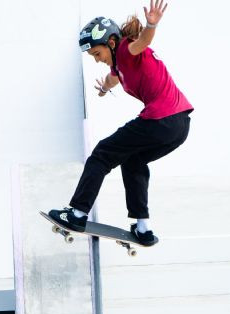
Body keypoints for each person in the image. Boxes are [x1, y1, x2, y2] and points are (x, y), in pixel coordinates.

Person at [48, 0, 193, 246]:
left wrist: (151, 24)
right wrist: (104, 87)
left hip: (161, 119)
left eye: (97, 53)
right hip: (178, 126)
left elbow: (143, 42)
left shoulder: (126, 49)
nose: (96, 59)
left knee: (102, 154)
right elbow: (113, 77)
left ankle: (77, 214)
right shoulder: (119, 64)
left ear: (111, 43)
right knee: (133, 160)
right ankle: (143, 228)